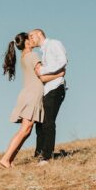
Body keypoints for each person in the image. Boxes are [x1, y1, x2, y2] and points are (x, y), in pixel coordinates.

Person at [0, 32, 66, 168]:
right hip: (32, 96)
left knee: (27, 130)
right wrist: (60, 74)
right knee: (25, 130)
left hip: (27, 94)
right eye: (29, 38)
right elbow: (41, 76)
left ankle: (9, 160)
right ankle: (6, 159)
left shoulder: (24, 57)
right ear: (26, 43)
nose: (32, 40)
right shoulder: (33, 56)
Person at [28, 29, 67, 166]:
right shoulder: (43, 52)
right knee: (40, 122)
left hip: (56, 88)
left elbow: (63, 61)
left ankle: (46, 156)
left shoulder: (54, 44)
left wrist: (42, 70)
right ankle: (39, 153)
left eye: (32, 36)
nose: (30, 39)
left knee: (48, 121)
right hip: (46, 90)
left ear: (39, 34)